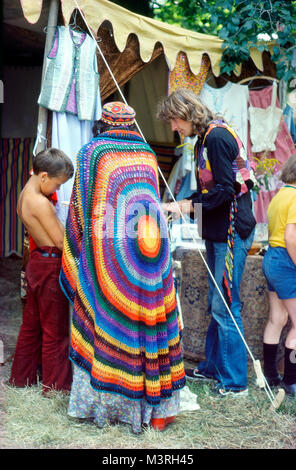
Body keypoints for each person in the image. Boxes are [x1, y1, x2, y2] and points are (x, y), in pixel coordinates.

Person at [60, 102, 186, 434]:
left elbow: (82, 212)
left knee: (108, 317)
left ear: (104, 121)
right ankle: (147, 409)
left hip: (110, 252)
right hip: (147, 251)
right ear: (131, 122)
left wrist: (82, 249)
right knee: (145, 324)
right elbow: (149, 203)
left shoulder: (93, 153)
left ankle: (104, 407)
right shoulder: (146, 153)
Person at [157, 88, 256, 397]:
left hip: (231, 230)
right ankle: (213, 368)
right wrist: (186, 203)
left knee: (226, 305)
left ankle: (235, 383)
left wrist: (186, 205)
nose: (173, 128)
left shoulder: (216, 137)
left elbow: (227, 190)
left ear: (187, 114)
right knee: (218, 301)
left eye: (174, 120)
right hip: (216, 231)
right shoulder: (203, 139)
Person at [9, 148, 74, 396]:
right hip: (50, 264)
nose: (56, 191)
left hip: (37, 262)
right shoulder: (40, 202)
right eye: (57, 184)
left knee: (32, 326)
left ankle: (21, 378)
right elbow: (60, 241)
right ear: (44, 176)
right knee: (55, 331)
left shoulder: (26, 194)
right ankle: (55, 387)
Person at [262, 154, 296, 397]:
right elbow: (291, 237)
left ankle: (270, 376)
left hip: (272, 258)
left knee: (277, 319)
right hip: (286, 260)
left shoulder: (279, 195)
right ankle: (291, 381)